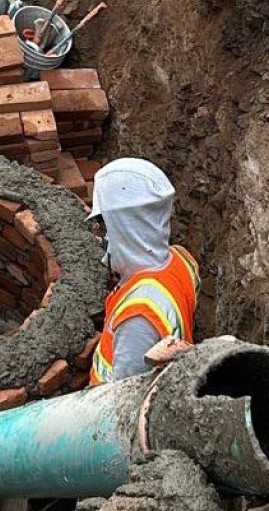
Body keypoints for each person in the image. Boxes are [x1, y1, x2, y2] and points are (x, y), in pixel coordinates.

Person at [87, 158, 200, 385]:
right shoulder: (182, 259)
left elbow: (123, 402)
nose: (99, 234)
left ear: (122, 228)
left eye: (103, 224)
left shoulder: (138, 317)